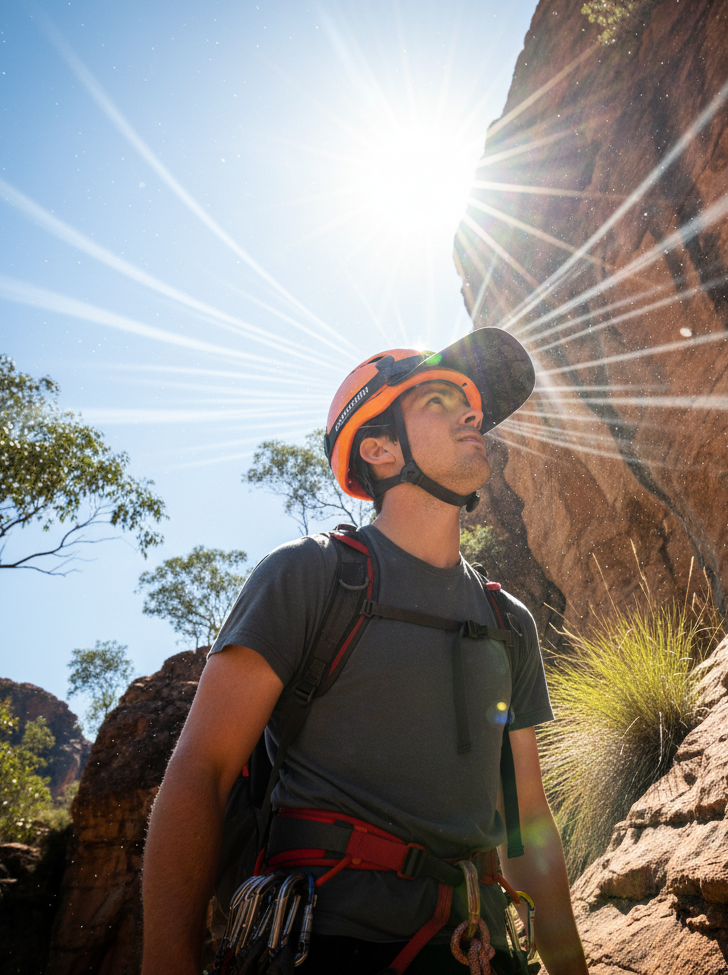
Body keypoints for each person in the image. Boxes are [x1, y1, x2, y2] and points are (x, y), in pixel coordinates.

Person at [142, 328, 589, 975]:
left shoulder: (507, 621)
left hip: (482, 955)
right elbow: (199, 775)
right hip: (326, 951)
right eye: (438, 399)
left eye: (471, 403)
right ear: (378, 447)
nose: (472, 413)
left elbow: (527, 830)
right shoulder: (309, 576)